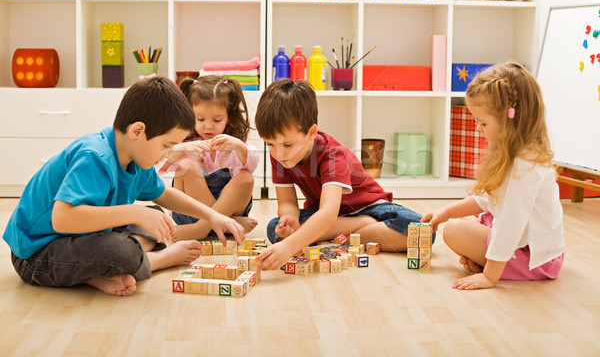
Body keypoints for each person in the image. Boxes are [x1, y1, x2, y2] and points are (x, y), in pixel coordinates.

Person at [2, 77, 244, 297]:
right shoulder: (95, 156)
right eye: (166, 146)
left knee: (156, 217)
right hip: (36, 253)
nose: (168, 155)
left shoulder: (136, 155)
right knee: (122, 250)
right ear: (137, 131)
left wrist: (212, 216)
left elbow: (163, 194)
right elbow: (62, 219)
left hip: (78, 238)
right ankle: (155, 260)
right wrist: (135, 212)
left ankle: (97, 273)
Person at [253, 79, 425, 271]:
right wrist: (290, 217)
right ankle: (350, 234)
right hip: (324, 215)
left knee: (420, 230)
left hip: (369, 209)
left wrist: (289, 246)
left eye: (287, 145)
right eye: (269, 144)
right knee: (274, 227)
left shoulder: (332, 155)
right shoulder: (279, 154)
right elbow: (287, 202)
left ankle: (359, 226)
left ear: (311, 132)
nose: (278, 153)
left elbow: (328, 214)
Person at [421, 63, 564, 290]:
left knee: (455, 231)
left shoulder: (523, 167)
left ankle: (496, 264)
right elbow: (490, 200)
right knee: (460, 221)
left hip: (535, 259)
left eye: (483, 122)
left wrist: (489, 276)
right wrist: (446, 211)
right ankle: (491, 260)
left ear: (510, 119)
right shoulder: (517, 153)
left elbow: (510, 224)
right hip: (531, 248)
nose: (478, 128)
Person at [157, 76, 259, 241]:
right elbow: (158, 163)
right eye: (200, 119)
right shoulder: (185, 140)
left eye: (217, 120)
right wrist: (182, 149)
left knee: (246, 177)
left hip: (228, 207)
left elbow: (253, 164)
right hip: (191, 213)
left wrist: (239, 145)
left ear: (229, 116)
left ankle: (202, 229)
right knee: (186, 166)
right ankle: (227, 224)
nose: (208, 126)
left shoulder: (233, 142)